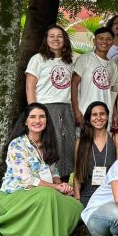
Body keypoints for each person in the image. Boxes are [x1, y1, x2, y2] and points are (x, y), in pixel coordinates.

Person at [0, 103, 83, 236]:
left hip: (43, 194)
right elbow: (27, 180)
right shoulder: (17, 145)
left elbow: (54, 171)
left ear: (47, 120)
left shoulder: (48, 143)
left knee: (76, 206)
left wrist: (60, 184)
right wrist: (56, 188)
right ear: (25, 121)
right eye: (33, 117)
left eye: (42, 117)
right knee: (47, 195)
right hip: (14, 195)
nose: (37, 120)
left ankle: (61, 228)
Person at [24, 24, 76, 179]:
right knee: (49, 145)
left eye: (59, 36)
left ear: (64, 40)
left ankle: (64, 181)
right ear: (46, 39)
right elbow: (30, 87)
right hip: (45, 108)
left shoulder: (69, 62)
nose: (55, 39)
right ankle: (47, 182)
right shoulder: (38, 59)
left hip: (65, 109)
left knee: (67, 147)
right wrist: (34, 112)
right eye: (51, 36)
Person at [74, 101, 118, 208]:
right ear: (89, 118)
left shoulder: (115, 138)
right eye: (94, 114)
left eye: (102, 114)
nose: (99, 118)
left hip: (110, 195)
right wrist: (77, 201)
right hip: (87, 197)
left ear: (107, 116)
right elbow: (77, 175)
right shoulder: (81, 142)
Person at [71, 27, 118, 127]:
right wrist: (76, 110)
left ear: (112, 42)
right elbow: (73, 85)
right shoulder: (84, 59)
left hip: (105, 115)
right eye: (100, 38)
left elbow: (111, 92)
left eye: (108, 39)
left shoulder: (113, 65)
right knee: (85, 137)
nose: (104, 41)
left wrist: (114, 113)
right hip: (85, 112)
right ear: (94, 41)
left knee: (103, 138)